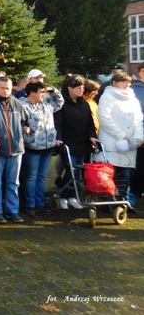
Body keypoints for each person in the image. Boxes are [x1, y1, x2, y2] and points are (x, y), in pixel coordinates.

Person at [94, 71, 143, 210]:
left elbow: (138, 119)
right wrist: (121, 135)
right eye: (123, 81)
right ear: (115, 83)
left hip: (129, 143)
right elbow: (104, 118)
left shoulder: (132, 99)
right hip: (112, 141)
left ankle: (123, 201)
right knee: (110, 173)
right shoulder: (107, 96)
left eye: (128, 82)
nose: (127, 84)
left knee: (125, 173)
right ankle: (109, 201)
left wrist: (139, 137)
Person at [0, 76, 28, 224]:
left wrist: (25, 130)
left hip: (16, 149)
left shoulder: (17, 103)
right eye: (2, 88)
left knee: (13, 182)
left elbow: (24, 121)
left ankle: (12, 210)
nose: (5, 91)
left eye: (8, 88)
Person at [18, 81, 65, 216]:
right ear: (32, 93)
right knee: (31, 177)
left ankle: (40, 203)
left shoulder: (46, 104)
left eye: (44, 92)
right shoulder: (23, 105)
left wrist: (53, 89)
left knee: (41, 177)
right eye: (41, 92)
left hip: (48, 146)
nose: (43, 95)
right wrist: (24, 130)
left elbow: (60, 102)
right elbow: (17, 123)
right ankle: (30, 204)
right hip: (32, 147)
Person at [53, 75, 98, 209]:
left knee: (78, 172)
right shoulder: (62, 103)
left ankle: (72, 196)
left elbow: (90, 123)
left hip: (83, 143)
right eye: (78, 87)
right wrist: (58, 138)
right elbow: (58, 123)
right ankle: (62, 196)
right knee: (70, 170)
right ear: (70, 88)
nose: (81, 90)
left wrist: (92, 135)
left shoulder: (84, 103)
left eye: (83, 87)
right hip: (67, 143)